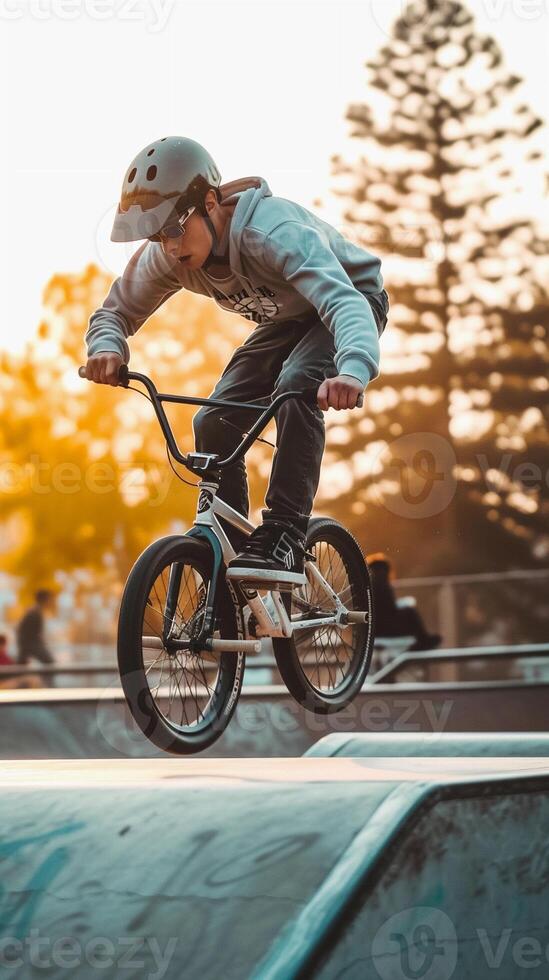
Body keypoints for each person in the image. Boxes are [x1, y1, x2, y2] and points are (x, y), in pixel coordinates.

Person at [84, 137, 389, 588]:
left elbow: (342, 301)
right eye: (156, 236)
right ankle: (227, 544)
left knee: (297, 384)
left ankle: (284, 529)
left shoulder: (271, 233)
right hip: (285, 320)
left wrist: (352, 369)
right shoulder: (170, 256)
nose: (168, 248)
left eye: (174, 230)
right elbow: (115, 311)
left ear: (211, 204)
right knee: (213, 420)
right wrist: (106, 347)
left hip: (352, 302)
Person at [367, 553, 441, 652]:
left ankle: (422, 640)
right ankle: (423, 640)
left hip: (373, 629)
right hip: (383, 629)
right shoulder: (382, 584)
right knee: (410, 611)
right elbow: (389, 609)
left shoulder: (369, 584)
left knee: (408, 611)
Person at [15, 589, 56, 681]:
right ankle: (46, 686)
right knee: (49, 662)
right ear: (45, 599)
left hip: (28, 645)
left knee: (20, 668)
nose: (51, 601)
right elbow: (29, 633)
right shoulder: (35, 612)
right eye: (49, 599)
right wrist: (26, 649)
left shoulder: (35, 611)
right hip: (30, 645)